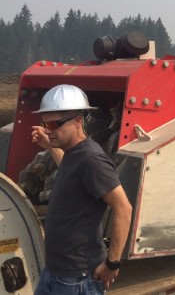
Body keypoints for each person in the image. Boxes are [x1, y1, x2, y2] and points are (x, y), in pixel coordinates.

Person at [31, 84, 132, 294]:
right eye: (44, 123)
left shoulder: (92, 159)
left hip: (77, 280)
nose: (48, 130)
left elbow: (123, 208)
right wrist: (50, 146)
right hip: (54, 272)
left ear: (78, 121)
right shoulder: (72, 153)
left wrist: (112, 264)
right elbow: (69, 172)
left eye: (54, 124)